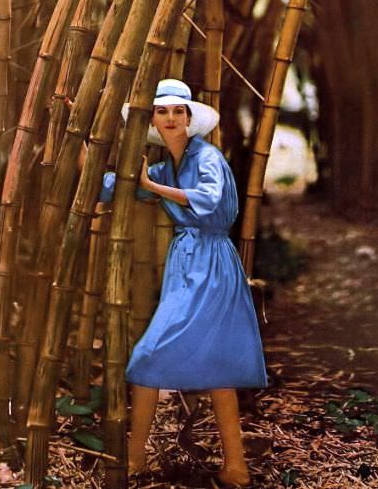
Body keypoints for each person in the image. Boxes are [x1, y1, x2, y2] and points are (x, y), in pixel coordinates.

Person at [98, 78, 267, 487]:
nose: (171, 118)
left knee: (149, 358)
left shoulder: (207, 156)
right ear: (154, 119)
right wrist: (100, 172)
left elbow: (210, 201)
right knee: (213, 363)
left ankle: (138, 463)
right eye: (163, 112)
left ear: (190, 118)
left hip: (211, 263)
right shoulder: (166, 164)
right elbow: (119, 183)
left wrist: (152, 187)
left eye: (179, 111)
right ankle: (234, 468)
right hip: (186, 264)